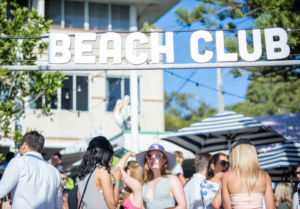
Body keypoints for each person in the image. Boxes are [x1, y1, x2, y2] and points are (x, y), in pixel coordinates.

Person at [0, 131, 63, 208]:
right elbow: (58, 204)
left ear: (24, 145)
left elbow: (2, 189)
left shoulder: (18, 162)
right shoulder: (55, 171)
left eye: (19, 145)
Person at [222, 138, 275, 209]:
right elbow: (271, 207)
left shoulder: (227, 176)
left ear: (234, 155)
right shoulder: (264, 176)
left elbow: (226, 207)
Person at [136, 143, 187, 209]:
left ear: (164, 161)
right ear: (147, 161)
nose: (153, 158)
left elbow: (183, 206)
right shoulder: (145, 183)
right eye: (149, 156)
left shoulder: (172, 179)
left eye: (158, 155)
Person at [77, 136, 122, 209]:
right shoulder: (102, 170)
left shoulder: (83, 171)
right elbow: (112, 206)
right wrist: (117, 181)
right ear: (106, 154)